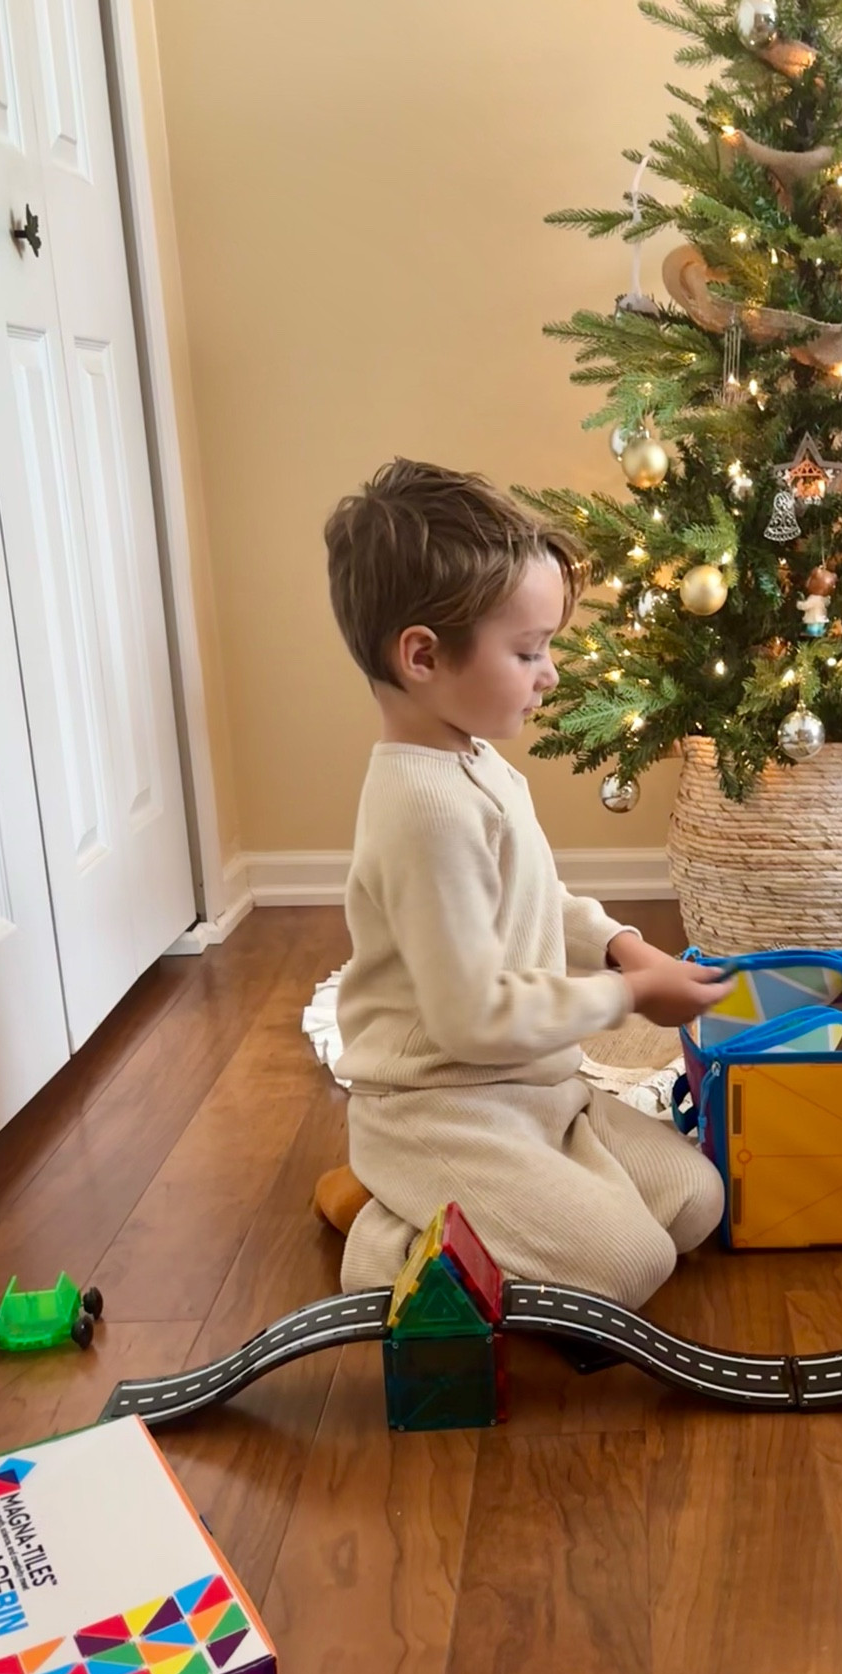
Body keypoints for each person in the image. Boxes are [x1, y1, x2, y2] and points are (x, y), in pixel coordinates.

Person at [316, 459, 730, 1307]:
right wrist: (625, 998)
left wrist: (620, 946)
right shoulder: (424, 810)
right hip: (441, 1104)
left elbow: (539, 895)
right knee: (629, 1266)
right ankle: (388, 1222)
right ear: (423, 656)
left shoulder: (473, 758)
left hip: (538, 1087)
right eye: (529, 651)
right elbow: (473, 1019)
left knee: (695, 1205)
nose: (548, 672)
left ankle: (512, 1204)